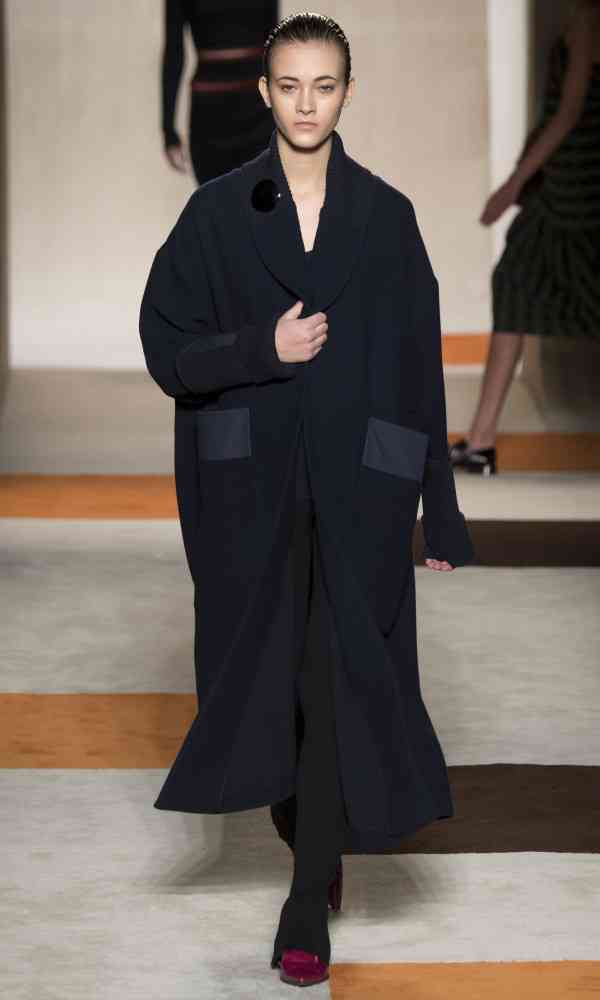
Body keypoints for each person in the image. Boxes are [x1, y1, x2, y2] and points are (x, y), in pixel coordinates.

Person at [140, 11, 474, 989]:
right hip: (249, 485)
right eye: (289, 85)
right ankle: (308, 832)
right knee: (274, 677)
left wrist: (441, 507)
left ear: (347, 93)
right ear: (264, 92)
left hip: (362, 486)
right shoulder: (216, 214)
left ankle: (305, 895)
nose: (306, 103)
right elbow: (165, 346)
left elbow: (417, 366)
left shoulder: (387, 216)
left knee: (334, 672)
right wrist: (263, 349)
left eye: (324, 85)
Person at [451, 0, 600, 475]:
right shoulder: (581, 17)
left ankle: (481, 441)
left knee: (518, 281)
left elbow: (569, 112)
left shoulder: (587, 19)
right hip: (564, 186)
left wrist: (513, 185)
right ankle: (481, 440)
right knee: (515, 282)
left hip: (574, 192)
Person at [162, 0, 279, 184]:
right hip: (211, 119)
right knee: (216, 198)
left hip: (257, 112)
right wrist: (168, 130)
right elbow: (174, 53)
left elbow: (275, 45)